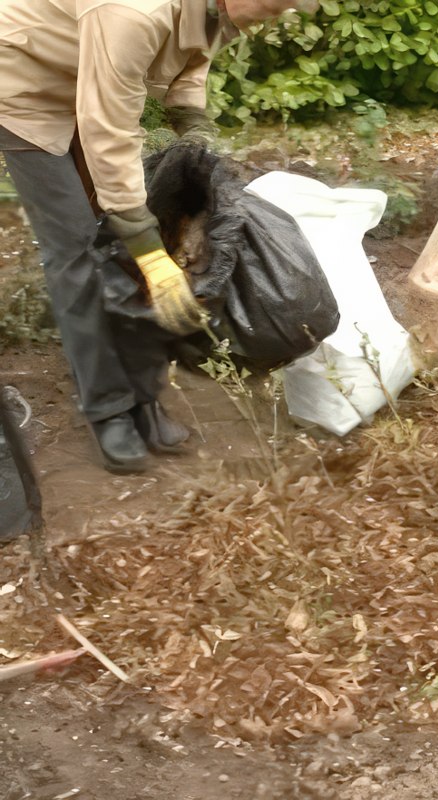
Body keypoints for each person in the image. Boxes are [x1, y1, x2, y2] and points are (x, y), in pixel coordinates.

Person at [0, 0, 309, 473]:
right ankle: (108, 409)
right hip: (26, 87)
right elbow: (108, 133)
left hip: (95, 76)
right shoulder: (133, 12)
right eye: (269, 5)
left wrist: (192, 125)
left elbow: (193, 57)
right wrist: (146, 250)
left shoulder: (221, 10)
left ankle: (142, 397)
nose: (273, 16)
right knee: (80, 251)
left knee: (137, 239)